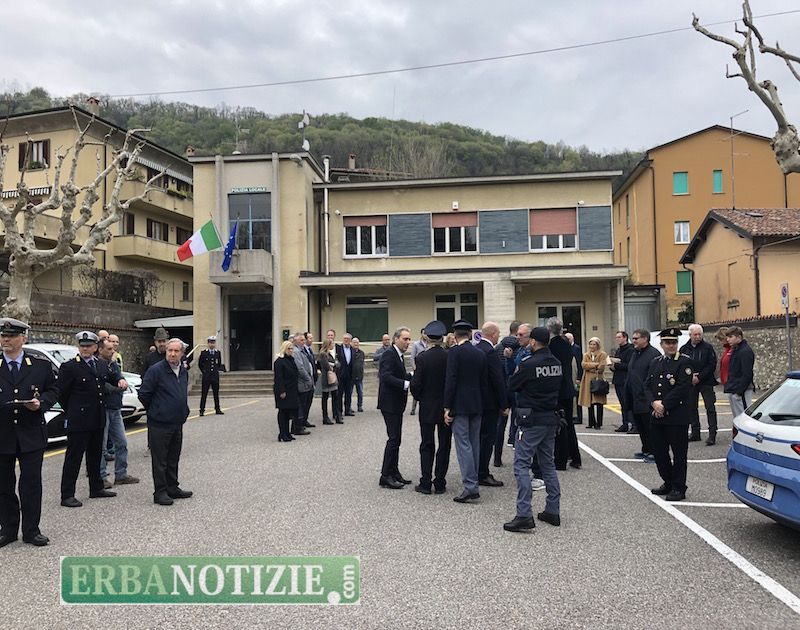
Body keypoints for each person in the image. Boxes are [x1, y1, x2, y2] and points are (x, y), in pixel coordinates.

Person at [0, 318, 58, 548]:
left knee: (31, 484)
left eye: (11, 336)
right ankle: (8, 529)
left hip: (31, 433)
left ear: (23, 338)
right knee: (3, 485)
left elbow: (54, 390)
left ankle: (32, 530)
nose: (5, 340)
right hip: (3, 434)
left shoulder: (40, 366)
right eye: (3, 336)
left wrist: (41, 403)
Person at [504, 326, 564, 532]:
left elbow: (512, 385)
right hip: (550, 418)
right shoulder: (556, 363)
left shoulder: (528, 364)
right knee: (548, 464)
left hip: (531, 420)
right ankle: (553, 510)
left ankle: (524, 514)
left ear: (533, 342)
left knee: (521, 465)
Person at [59, 331, 125, 508]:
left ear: (96, 347)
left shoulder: (100, 364)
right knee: (74, 457)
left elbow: (112, 376)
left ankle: (96, 488)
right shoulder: (70, 367)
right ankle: (67, 494)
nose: (85, 349)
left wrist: (120, 379)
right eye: (82, 346)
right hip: (79, 420)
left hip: (97, 417)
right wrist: (72, 411)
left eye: (88, 346)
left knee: (95, 455)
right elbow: (62, 394)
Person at [138, 338, 192, 506]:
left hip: (177, 422)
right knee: (160, 460)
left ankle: (172, 487)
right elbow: (144, 394)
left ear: (182, 353)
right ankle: (160, 492)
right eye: (170, 351)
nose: (172, 354)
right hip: (160, 423)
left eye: (176, 351)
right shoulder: (156, 370)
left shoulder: (183, 371)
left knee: (173, 457)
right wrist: (156, 410)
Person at [645, 327, 693, 502]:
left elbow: (682, 388)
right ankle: (668, 481)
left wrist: (664, 405)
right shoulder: (656, 362)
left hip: (676, 416)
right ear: (661, 344)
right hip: (657, 416)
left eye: (674, 342)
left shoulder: (684, 362)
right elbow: (647, 385)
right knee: (659, 452)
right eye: (667, 342)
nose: (671, 345)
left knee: (679, 454)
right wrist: (653, 403)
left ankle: (679, 487)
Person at [444, 320, 487, 503]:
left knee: (463, 445)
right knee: (474, 443)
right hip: (477, 403)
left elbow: (451, 380)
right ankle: (473, 480)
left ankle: (470, 486)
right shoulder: (479, 353)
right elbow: (484, 381)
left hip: (460, 404)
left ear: (455, 335)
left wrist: (448, 407)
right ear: (470, 334)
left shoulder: (454, 352)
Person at [409, 321, 451, 495]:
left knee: (427, 444)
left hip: (427, 406)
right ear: (442, 338)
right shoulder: (449, 356)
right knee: (444, 445)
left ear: (427, 338)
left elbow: (415, 384)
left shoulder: (422, 358)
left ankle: (425, 482)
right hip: (445, 407)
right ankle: (440, 482)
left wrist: (421, 398)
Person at [97, 338, 139, 488]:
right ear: (100, 350)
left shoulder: (113, 364)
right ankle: (101, 477)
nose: (112, 351)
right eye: (108, 349)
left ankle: (121, 474)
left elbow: (118, 376)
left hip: (115, 408)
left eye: (113, 349)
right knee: (101, 446)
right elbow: (103, 386)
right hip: (104, 409)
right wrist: (117, 388)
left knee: (121, 443)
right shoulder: (97, 365)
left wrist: (122, 381)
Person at [377, 327, 414, 490]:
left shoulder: (398, 355)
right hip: (389, 403)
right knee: (393, 439)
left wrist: (411, 376)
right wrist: (405, 384)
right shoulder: (389, 354)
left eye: (409, 339)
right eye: (405, 339)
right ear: (396, 339)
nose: (408, 342)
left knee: (396, 439)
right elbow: (385, 376)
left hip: (396, 403)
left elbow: (398, 374)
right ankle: (385, 476)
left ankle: (394, 471)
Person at [475, 321, 507, 488]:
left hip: (477, 401)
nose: (498, 337)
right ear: (493, 334)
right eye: (498, 334)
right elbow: (497, 379)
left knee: (477, 438)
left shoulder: (476, 349)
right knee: (488, 438)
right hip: (490, 403)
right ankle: (483, 473)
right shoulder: (490, 352)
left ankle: (476, 469)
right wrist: (504, 404)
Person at [548, 318, 581, 470]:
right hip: (567, 387)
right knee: (569, 424)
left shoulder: (553, 345)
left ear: (549, 329)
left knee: (560, 424)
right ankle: (575, 457)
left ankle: (560, 460)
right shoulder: (566, 343)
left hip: (559, 389)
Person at [625, 329, 662, 461]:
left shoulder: (653, 354)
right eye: (633, 338)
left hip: (646, 398)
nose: (633, 341)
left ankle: (655, 452)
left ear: (645, 339)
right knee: (640, 426)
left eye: (636, 338)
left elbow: (655, 378)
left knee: (649, 427)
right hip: (634, 397)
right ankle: (646, 449)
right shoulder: (635, 353)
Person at [680, 324, 719, 445]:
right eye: (695, 334)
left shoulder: (708, 348)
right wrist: (690, 377)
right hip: (690, 382)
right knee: (691, 407)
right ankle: (695, 432)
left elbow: (711, 364)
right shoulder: (684, 349)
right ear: (690, 335)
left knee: (710, 408)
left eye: (699, 334)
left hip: (706, 381)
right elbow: (681, 365)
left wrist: (700, 376)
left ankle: (712, 434)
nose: (697, 337)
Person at [724, 326, 756, 418]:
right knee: (737, 417)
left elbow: (747, 374)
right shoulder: (736, 349)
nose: (728, 339)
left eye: (731, 337)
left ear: (739, 337)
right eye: (727, 337)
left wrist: (739, 391)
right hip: (734, 388)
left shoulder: (745, 351)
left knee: (744, 417)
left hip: (742, 390)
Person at [578, 337, 608, 430]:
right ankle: (591, 422)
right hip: (587, 380)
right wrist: (595, 364)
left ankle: (599, 423)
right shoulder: (586, 354)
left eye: (594, 344)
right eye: (590, 344)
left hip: (598, 379)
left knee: (599, 402)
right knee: (589, 402)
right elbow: (583, 365)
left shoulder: (602, 354)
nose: (592, 346)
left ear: (598, 345)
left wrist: (590, 366)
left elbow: (601, 367)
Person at [274, 341, 300, 442]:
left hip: (292, 389)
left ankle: (287, 432)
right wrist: (282, 391)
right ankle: (282, 433)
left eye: (292, 348)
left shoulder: (291, 360)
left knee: (289, 412)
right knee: (283, 411)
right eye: (289, 349)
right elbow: (279, 378)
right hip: (284, 390)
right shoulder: (279, 362)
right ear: (284, 349)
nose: (291, 350)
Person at [610, 331, 634, 432]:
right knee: (622, 404)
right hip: (618, 379)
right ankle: (625, 423)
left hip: (625, 380)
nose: (617, 339)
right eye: (616, 337)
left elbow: (629, 365)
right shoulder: (619, 350)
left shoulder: (630, 350)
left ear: (625, 338)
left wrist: (616, 365)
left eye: (619, 337)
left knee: (627, 403)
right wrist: (612, 366)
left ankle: (632, 424)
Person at [291, 333, 313, 435]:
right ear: (296, 341)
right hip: (301, 383)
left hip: (305, 382)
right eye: (301, 340)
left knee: (304, 405)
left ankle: (299, 425)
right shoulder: (296, 352)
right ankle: (297, 428)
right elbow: (300, 368)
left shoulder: (302, 350)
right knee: (300, 406)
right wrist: (308, 379)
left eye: (304, 340)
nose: (304, 342)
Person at [197, 336, 224, 416]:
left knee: (216, 393)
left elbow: (218, 363)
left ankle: (217, 408)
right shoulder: (204, 353)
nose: (212, 344)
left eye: (213, 343)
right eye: (210, 343)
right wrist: (204, 371)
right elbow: (200, 364)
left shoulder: (217, 353)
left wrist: (216, 370)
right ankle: (202, 410)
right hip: (207, 376)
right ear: (208, 343)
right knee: (204, 393)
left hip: (214, 376)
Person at [317, 339, 340, 425]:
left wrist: (334, 364)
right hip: (326, 378)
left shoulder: (330, 354)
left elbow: (337, 364)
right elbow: (326, 366)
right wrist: (334, 365)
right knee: (325, 398)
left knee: (335, 397)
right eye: (332, 343)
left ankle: (337, 415)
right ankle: (325, 417)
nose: (333, 345)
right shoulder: (323, 354)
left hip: (332, 377)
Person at [565, 332, 584, 425]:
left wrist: (579, 377)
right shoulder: (566, 348)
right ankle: (573, 415)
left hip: (575, 374)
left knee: (577, 396)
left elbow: (580, 363)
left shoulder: (576, 348)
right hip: (569, 374)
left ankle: (579, 417)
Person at [335, 333, 355, 417]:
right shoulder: (338, 349)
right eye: (344, 339)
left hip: (349, 375)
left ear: (350, 340)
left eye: (347, 339)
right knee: (339, 394)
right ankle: (339, 411)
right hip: (340, 375)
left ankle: (347, 409)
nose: (346, 340)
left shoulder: (352, 350)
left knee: (348, 393)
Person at [409, 329, 427, 416]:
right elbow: (412, 357)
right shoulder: (416, 344)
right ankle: (413, 408)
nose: (425, 335)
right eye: (424, 333)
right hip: (418, 369)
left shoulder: (429, 344)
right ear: (421, 334)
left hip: (426, 369)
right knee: (417, 387)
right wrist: (414, 368)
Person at [302, 332, 318, 424]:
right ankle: (302, 421)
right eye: (310, 338)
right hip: (306, 380)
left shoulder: (310, 350)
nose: (312, 340)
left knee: (309, 401)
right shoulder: (302, 351)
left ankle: (305, 419)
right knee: (304, 402)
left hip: (312, 379)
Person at [716, 327, 732, 391]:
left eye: (721, 339)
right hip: (727, 382)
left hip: (731, 382)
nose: (720, 342)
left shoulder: (732, 349)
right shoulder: (727, 349)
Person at [351, 338, 365, 412]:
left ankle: (360, 406)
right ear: (351, 343)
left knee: (360, 392)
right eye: (354, 342)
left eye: (357, 342)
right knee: (349, 392)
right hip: (351, 376)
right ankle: (348, 407)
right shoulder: (350, 352)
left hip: (359, 375)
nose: (356, 344)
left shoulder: (362, 353)